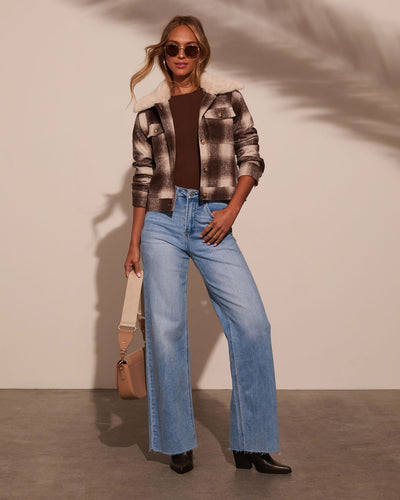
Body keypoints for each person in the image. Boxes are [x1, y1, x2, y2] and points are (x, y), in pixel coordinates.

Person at [124, 15, 292, 475]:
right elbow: (142, 177)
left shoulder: (227, 97)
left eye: (190, 48)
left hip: (211, 218)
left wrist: (231, 211)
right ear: (163, 53)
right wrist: (134, 241)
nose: (181, 56)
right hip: (160, 221)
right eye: (173, 48)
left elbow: (251, 154)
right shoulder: (148, 109)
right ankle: (177, 441)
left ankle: (252, 443)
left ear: (202, 52)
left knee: (252, 324)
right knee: (166, 330)